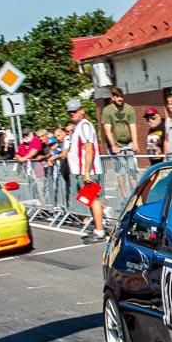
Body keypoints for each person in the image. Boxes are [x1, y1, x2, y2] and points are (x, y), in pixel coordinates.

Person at [66, 99, 105, 239]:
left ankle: (100, 231)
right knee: (90, 200)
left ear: (82, 110)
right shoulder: (78, 126)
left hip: (89, 171)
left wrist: (87, 172)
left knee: (93, 199)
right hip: (82, 171)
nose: (72, 114)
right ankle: (99, 226)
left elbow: (89, 149)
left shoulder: (84, 125)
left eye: (75, 111)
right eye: (70, 112)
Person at [101, 88, 140, 175]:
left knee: (132, 169)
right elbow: (107, 130)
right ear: (112, 98)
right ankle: (122, 184)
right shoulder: (107, 110)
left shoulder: (129, 109)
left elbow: (132, 126)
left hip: (127, 142)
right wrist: (113, 145)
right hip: (115, 143)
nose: (120, 99)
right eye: (117, 97)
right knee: (120, 171)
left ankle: (134, 183)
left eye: (121, 97)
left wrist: (135, 143)